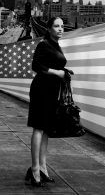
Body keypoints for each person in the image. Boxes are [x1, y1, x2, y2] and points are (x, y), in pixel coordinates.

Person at [25, 17, 73, 186]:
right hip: (41, 89)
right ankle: (35, 169)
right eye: (56, 26)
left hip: (53, 91)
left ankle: (43, 167)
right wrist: (57, 72)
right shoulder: (43, 44)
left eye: (62, 26)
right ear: (49, 28)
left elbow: (52, 62)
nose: (60, 29)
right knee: (38, 128)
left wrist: (64, 70)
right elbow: (36, 65)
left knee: (46, 130)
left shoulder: (55, 45)